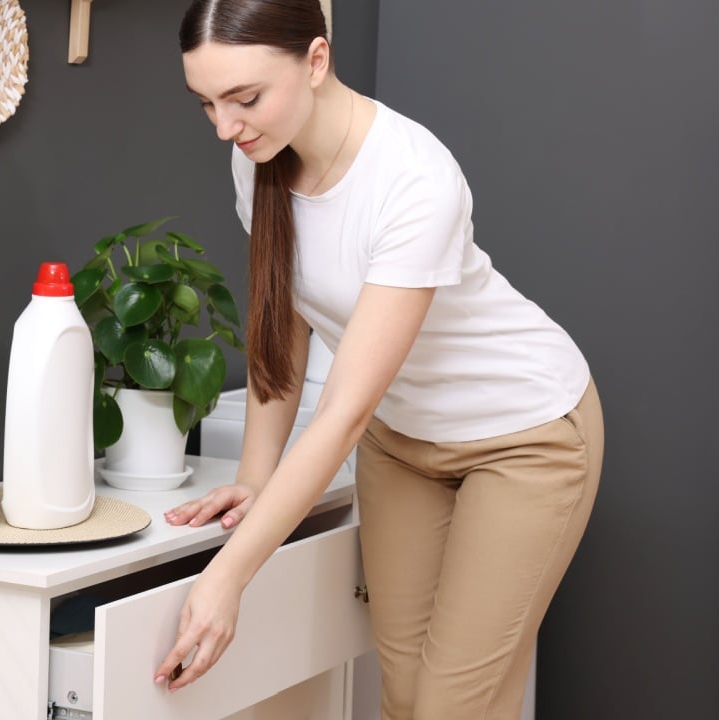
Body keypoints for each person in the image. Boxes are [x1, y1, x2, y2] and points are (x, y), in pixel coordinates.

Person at [154, 2, 603, 718]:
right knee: (402, 696)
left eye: (244, 98)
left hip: (524, 436)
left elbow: (343, 410)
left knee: (452, 708)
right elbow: (286, 322)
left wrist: (229, 575)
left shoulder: (414, 179)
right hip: (401, 443)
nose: (225, 126)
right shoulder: (260, 159)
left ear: (317, 59)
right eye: (206, 103)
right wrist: (255, 477)